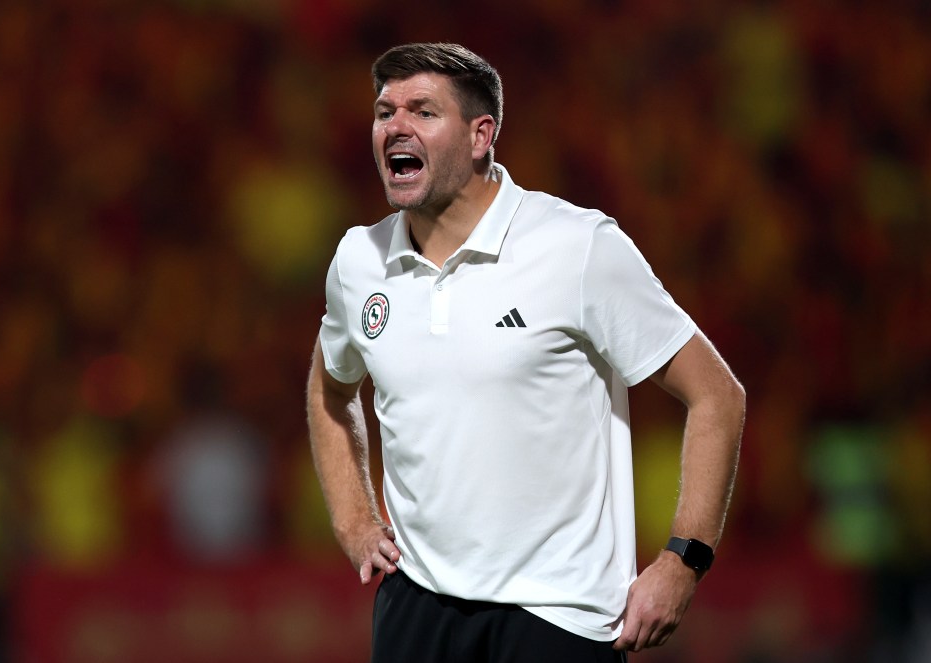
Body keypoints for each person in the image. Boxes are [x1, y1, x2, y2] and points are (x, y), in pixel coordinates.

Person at [306, 42, 745, 663]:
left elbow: (717, 395)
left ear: (481, 134)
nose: (395, 126)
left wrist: (685, 558)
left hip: (555, 619)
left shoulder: (577, 247)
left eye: (423, 111)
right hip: (416, 609)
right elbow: (331, 385)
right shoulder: (359, 260)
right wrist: (353, 518)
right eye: (384, 112)